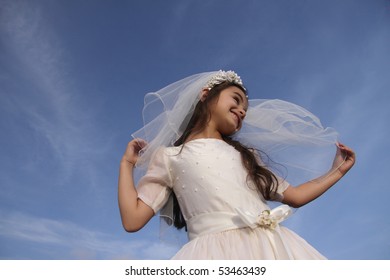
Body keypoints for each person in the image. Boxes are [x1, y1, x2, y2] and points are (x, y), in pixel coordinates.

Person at [118, 70, 355, 259]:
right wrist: (127, 164)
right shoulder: (170, 157)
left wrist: (337, 170)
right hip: (213, 256)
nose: (242, 110)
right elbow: (132, 220)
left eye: (245, 109)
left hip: (272, 250)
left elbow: (295, 196)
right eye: (236, 99)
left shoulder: (247, 156)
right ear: (205, 94)